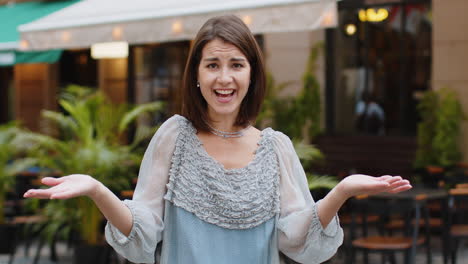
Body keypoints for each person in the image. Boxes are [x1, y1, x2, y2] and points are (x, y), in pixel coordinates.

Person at [23, 15, 411, 264]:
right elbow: (142, 235)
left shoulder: (276, 148)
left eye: (236, 65)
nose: (224, 78)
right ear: (196, 74)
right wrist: (97, 190)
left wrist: (340, 192)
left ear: (252, 75)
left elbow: (300, 240)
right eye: (212, 65)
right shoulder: (174, 137)